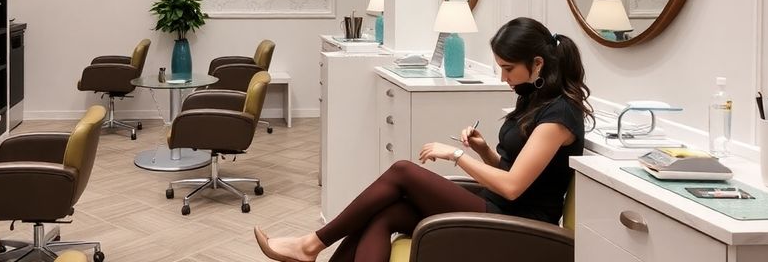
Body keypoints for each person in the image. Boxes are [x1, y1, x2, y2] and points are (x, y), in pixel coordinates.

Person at [254, 17, 593, 262]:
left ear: (537, 63)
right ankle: (310, 249)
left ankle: (311, 245)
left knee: (402, 170)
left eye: (508, 68)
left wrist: (457, 156)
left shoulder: (560, 115)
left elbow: (513, 187)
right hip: (500, 205)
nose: (502, 76)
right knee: (386, 213)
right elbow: (510, 168)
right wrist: (484, 149)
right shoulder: (531, 95)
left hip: (522, 222)